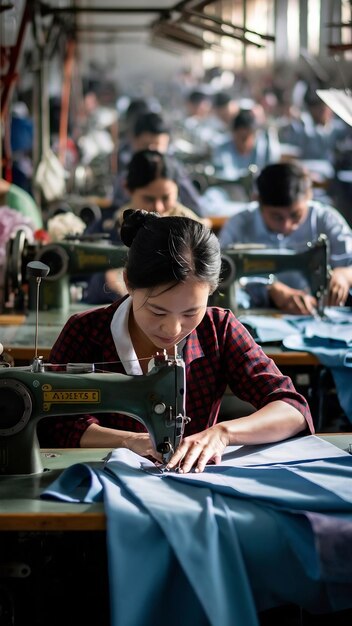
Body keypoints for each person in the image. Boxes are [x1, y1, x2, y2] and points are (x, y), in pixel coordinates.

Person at [38, 209, 313, 474]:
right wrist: (129, 440)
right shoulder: (86, 332)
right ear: (128, 283)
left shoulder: (219, 329)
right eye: (157, 311)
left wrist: (223, 433)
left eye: (191, 312)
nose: (173, 328)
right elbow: (57, 423)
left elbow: (292, 408)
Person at [218, 162, 352, 314]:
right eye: (277, 217)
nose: (287, 226)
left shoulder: (326, 219)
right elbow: (220, 272)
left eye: (296, 215)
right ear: (258, 201)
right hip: (259, 314)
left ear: (309, 196)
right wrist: (269, 288)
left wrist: (344, 274)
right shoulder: (239, 225)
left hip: (315, 311)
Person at [83, 149, 210, 304]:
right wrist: (104, 280)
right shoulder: (108, 226)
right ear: (128, 189)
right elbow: (84, 280)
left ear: (177, 188)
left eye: (166, 197)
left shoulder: (194, 232)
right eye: (148, 198)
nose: (158, 207)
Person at [111, 111, 204, 215]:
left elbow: (196, 209)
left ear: (167, 143)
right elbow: (115, 208)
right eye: (145, 145)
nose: (151, 151)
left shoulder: (173, 170)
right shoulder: (127, 171)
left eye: (157, 146)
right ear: (133, 141)